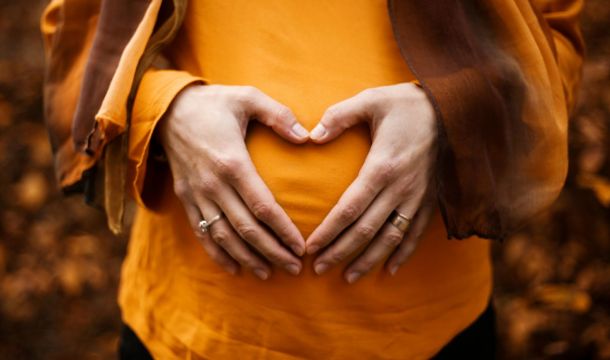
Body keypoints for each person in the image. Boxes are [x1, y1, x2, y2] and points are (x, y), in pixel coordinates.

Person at [41, 0, 584, 358]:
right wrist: (163, 111)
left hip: (429, 336)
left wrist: (451, 115)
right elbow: (79, 32)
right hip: (190, 333)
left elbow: (552, 45)